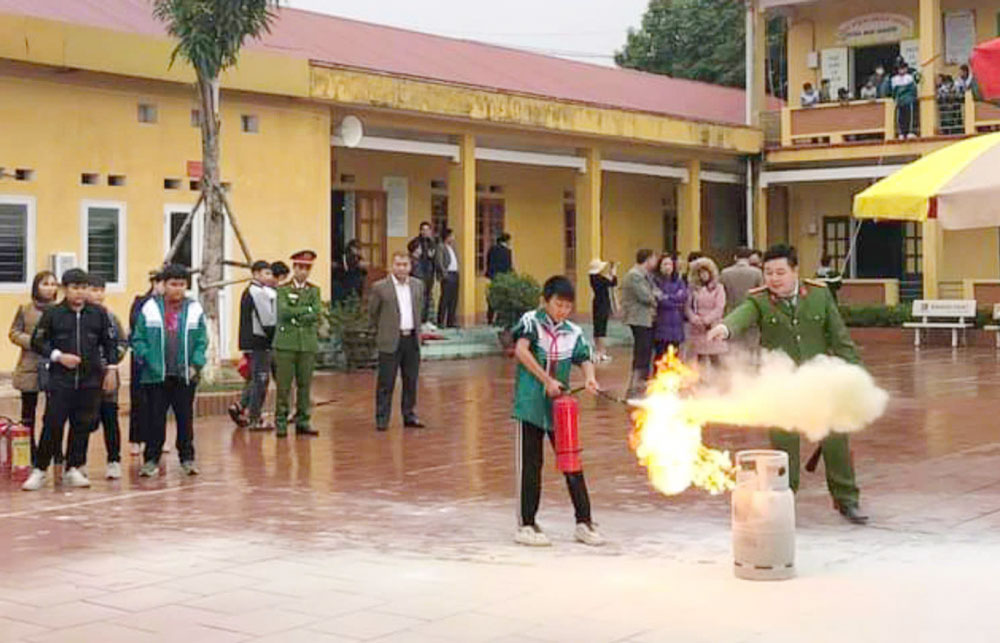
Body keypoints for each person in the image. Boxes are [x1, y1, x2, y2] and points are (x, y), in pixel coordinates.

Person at [707, 244, 868, 525]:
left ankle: (847, 500)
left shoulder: (819, 295)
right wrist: (725, 328)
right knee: (783, 447)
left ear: (795, 271)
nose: (774, 278)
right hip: (780, 385)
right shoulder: (759, 300)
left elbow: (840, 338)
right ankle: (785, 499)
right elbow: (742, 315)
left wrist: (856, 377)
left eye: (780, 272)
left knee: (836, 441)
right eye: (768, 272)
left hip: (819, 381)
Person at [510, 275, 603, 547]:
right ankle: (526, 525)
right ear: (545, 301)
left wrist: (590, 378)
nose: (563, 311)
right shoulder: (531, 321)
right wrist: (546, 380)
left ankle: (584, 522)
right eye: (558, 304)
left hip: (560, 409)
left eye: (567, 306)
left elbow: (584, 357)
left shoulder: (573, 331)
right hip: (530, 406)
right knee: (531, 465)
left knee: (572, 462)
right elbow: (521, 351)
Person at [22, 268, 119, 491]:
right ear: (65, 289)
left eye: (83, 288)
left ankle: (74, 467)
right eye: (75, 288)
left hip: (90, 379)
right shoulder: (53, 314)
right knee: (53, 423)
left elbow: (110, 343)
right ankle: (40, 469)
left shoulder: (99, 314)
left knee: (82, 423)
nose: (79, 292)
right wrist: (58, 356)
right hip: (60, 379)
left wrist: (111, 369)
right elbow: (38, 341)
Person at [131, 264, 206, 477]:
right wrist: (147, 358)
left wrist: (196, 364)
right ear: (164, 285)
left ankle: (187, 459)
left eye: (182, 284)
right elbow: (138, 339)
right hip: (156, 376)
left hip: (185, 375)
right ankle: (151, 460)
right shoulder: (150, 308)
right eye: (173, 284)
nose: (177, 288)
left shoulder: (194, 309)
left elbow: (202, 340)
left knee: (185, 419)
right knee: (155, 419)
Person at [369, 251, 425, 431]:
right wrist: (382, 332)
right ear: (391, 266)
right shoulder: (380, 287)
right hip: (390, 340)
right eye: (398, 264)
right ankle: (382, 418)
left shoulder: (417, 285)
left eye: (405, 265)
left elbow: (420, 309)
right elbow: (373, 313)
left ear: (410, 266)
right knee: (386, 382)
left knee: (410, 380)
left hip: (411, 339)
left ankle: (409, 415)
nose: (401, 268)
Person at [9, 270, 58, 460]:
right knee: (28, 411)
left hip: (53, 365)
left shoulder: (61, 310)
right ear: (36, 287)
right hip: (30, 365)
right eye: (45, 284)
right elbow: (14, 332)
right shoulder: (25, 309)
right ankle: (29, 449)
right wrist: (32, 342)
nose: (49, 288)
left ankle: (53, 449)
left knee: (53, 412)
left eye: (53, 284)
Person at [273, 250, 322, 437]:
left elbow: (316, 313)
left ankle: (303, 421)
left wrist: (299, 312)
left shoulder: (314, 290)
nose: (303, 272)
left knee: (304, 385)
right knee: (284, 386)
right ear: (294, 268)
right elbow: (283, 312)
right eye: (300, 267)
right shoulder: (283, 289)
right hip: (286, 343)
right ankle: (281, 422)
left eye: (307, 268)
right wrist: (305, 310)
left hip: (306, 343)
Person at [86, 274, 127, 480]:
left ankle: (114, 460)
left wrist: (111, 360)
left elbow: (122, 342)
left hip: (108, 376)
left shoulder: (111, 317)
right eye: (94, 290)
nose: (98, 294)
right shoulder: (79, 317)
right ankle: (77, 462)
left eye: (101, 290)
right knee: (83, 421)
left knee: (110, 418)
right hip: (84, 378)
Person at [231, 260, 276, 431]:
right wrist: (273, 338)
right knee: (261, 380)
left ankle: (239, 406)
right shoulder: (258, 292)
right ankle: (255, 418)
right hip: (260, 342)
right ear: (256, 274)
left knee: (254, 378)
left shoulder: (250, 290)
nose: (269, 277)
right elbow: (267, 320)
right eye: (266, 273)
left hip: (250, 342)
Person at [128, 270, 165, 456]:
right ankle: (136, 439)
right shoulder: (141, 302)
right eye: (162, 283)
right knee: (139, 399)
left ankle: (157, 439)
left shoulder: (170, 305)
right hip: (142, 357)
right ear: (154, 283)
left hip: (163, 357)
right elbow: (135, 326)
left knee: (160, 401)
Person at [622, 249, 661, 395]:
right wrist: (657, 297)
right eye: (654, 259)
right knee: (642, 352)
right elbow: (646, 296)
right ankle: (636, 385)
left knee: (646, 352)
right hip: (639, 319)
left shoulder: (646, 275)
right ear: (648, 259)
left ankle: (642, 384)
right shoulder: (635, 276)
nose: (656, 262)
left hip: (647, 319)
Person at [685, 257, 727, 367]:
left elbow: (720, 307)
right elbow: (687, 306)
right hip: (697, 327)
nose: (703, 275)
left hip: (713, 325)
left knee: (715, 357)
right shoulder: (692, 289)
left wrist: (707, 320)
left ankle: (719, 377)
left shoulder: (719, 288)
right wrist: (694, 318)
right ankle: (701, 376)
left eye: (705, 272)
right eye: (700, 273)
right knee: (700, 357)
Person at [653, 254, 687, 360]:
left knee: (674, 357)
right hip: (661, 325)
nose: (668, 267)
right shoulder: (655, 282)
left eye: (670, 264)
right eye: (665, 264)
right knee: (661, 357)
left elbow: (683, 297)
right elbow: (660, 300)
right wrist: (674, 301)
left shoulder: (679, 281)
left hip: (676, 326)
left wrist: (668, 297)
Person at [407, 221, 439, 328]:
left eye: (427, 230)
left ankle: (426, 320)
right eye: (423, 230)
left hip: (429, 273)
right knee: (418, 297)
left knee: (428, 296)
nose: (425, 232)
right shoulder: (415, 242)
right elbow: (411, 251)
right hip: (418, 272)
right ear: (420, 231)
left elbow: (435, 257)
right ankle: (417, 320)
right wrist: (415, 254)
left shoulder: (432, 243)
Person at [588, 259, 617, 362]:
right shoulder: (599, 278)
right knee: (602, 329)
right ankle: (601, 352)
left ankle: (598, 351)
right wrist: (613, 272)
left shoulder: (593, 277)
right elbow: (613, 283)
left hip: (597, 303)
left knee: (597, 328)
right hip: (602, 304)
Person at [720, 247, 764, 315]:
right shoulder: (757, 272)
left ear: (735, 257)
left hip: (731, 311)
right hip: (751, 310)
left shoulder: (725, 273)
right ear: (749, 258)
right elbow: (761, 292)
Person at [486, 232, 514, 325]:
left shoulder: (492, 249)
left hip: (493, 276)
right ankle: (499, 318)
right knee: (503, 298)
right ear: (506, 241)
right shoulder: (507, 251)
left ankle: (490, 318)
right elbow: (508, 266)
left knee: (493, 297)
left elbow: (488, 263)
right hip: (503, 277)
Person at [436, 228, 460, 328]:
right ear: (447, 237)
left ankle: (451, 321)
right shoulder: (441, 247)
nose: (453, 238)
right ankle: (441, 321)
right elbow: (439, 261)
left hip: (455, 274)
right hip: (448, 274)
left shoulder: (452, 247)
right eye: (452, 236)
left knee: (454, 298)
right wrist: (444, 274)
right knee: (445, 298)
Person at [892, 63, 921, 139]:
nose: (901, 70)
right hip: (900, 101)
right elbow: (894, 92)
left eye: (903, 68)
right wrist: (896, 99)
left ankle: (910, 132)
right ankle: (901, 133)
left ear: (906, 69)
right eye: (900, 69)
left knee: (910, 116)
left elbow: (913, 89)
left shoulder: (910, 78)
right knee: (900, 118)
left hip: (909, 100)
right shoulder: (895, 79)